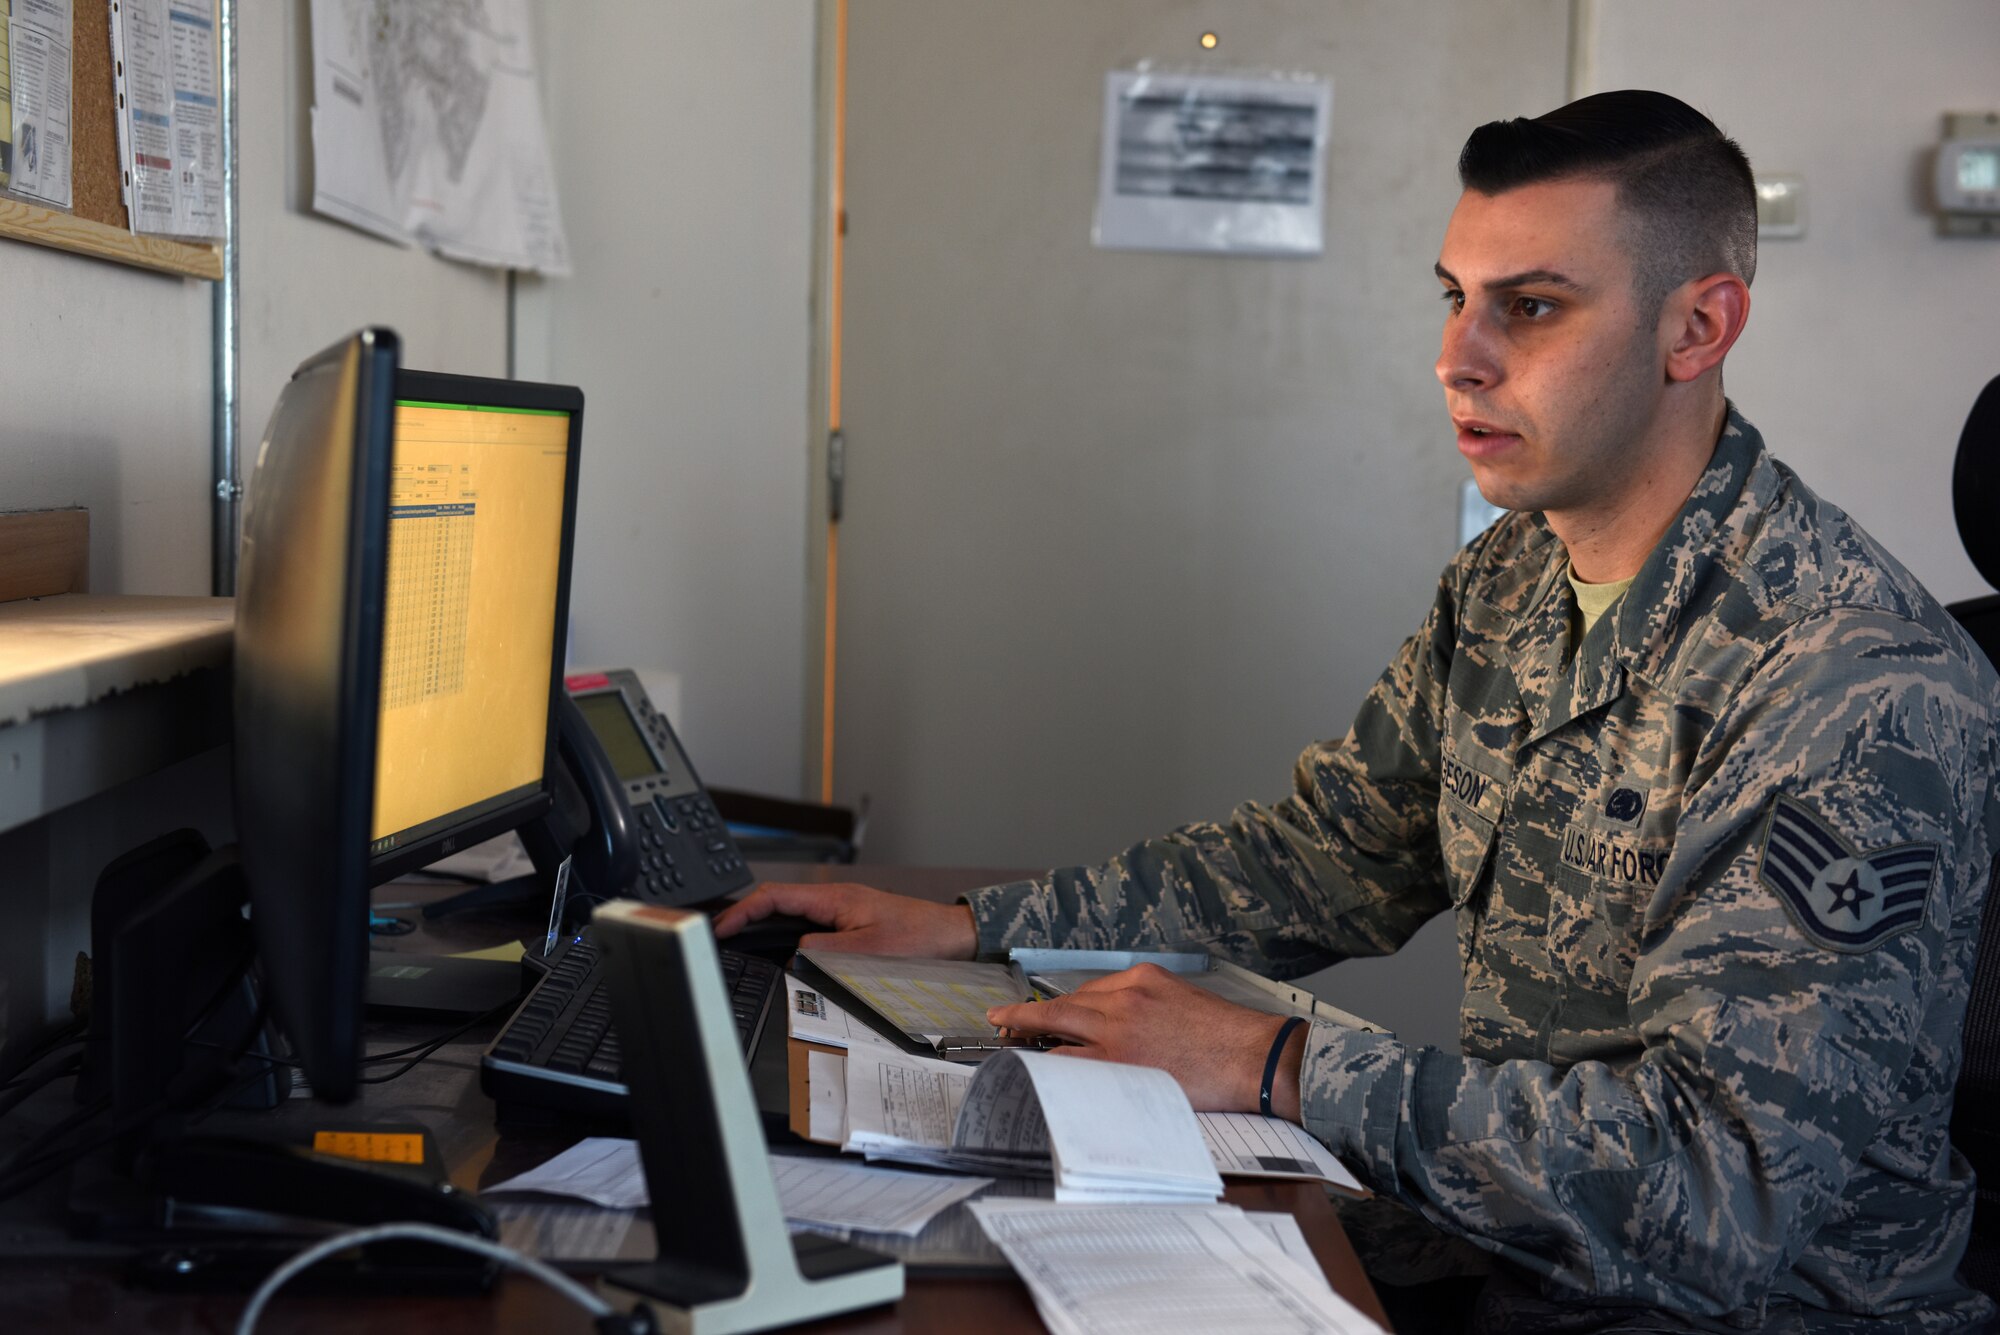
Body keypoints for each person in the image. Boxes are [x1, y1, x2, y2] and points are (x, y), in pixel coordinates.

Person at [717, 90, 2000, 1332]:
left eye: (1531, 307)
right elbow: (1322, 858)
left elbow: (1730, 1188)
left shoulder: (1849, 674)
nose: (1457, 355)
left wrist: (1273, 1066)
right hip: (1509, 1259)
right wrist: (971, 928)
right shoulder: (1515, 573)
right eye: (1453, 298)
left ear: (1697, 327)